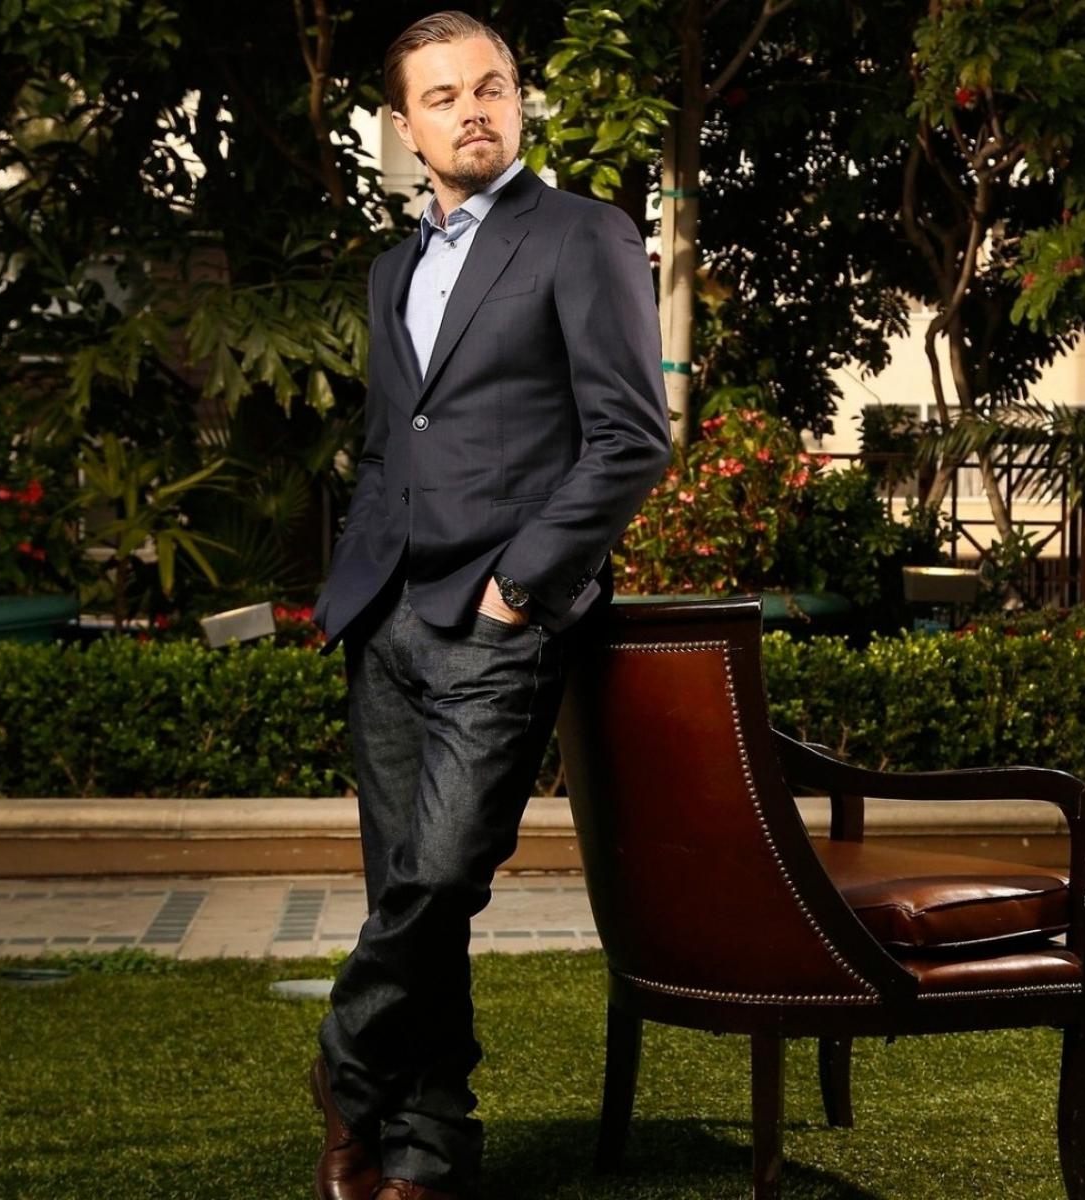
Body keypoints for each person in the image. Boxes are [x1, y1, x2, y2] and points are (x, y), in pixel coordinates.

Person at [303, 11, 671, 1200]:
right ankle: (425, 1146)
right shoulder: (392, 270)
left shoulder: (582, 234)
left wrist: (520, 587)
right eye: (444, 95)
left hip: (496, 622)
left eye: (492, 86)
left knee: (443, 874)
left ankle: (344, 1066)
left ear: (518, 101)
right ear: (404, 127)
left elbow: (631, 438)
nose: (473, 109)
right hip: (388, 620)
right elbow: (386, 443)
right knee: (403, 890)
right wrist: (359, 583)